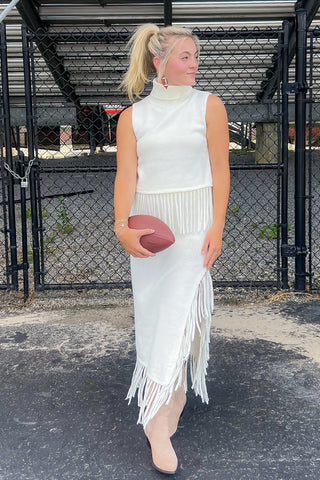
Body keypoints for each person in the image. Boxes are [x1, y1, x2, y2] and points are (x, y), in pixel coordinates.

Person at [114, 23, 230, 475]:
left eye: (196, 56)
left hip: (195, 226)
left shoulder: (210, 106)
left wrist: (217, 226)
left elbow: (220, 170)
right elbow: (127, 176)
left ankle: (157, 415)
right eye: (186, 56)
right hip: (151, 232)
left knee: (182, 309)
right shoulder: (132, 118)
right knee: (156, 313)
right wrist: (122, 227)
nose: (195, 64)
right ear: (160, 62)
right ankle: (172, 390)